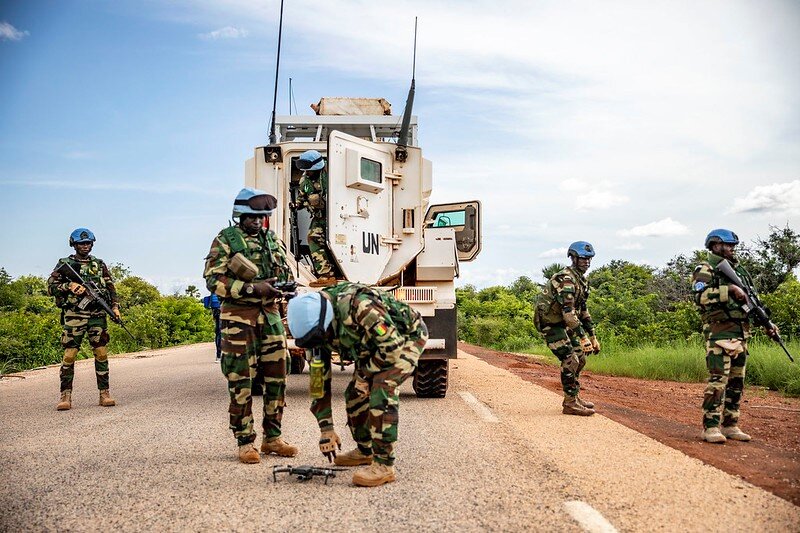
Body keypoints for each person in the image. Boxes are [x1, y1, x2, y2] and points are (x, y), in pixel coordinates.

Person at [286, 282, 428, 487]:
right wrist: (326, 429)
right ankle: (365, 451)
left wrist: (364, 376)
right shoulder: (316, 335)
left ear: (326, 322)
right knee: (354, 394)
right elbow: (319, 384)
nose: (318, 343)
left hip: (405, 338)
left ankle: (384, 465)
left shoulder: (361, 307)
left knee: (382, 388)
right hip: (370, 346)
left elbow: (392, 348)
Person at [204, 187, 298, 464]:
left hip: (270, 317)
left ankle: (273, 438)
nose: (258, 222)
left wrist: (286, 287)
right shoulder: (226, 240)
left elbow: (286, 271)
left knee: (278, 378)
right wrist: (250, 288)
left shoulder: (272, 240)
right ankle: (245, 441)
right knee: (241, 380)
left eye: (263, 217)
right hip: (237, 319)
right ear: (240, 216)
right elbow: (213, 280)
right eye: (252, 217)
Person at [692, 229, 779, 444]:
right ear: (715, 245)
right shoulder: (705, 269)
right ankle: (710, 427)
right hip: (718, 334)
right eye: (728, 245)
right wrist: (728, 289)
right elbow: (700, 297)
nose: (732, 248)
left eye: (733, 245)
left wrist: (767, 323)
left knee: (737, 383)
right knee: (718, 382)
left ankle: (730, 425)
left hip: (741, 335)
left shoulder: (738, 270)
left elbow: (751, 301)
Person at [47, 228, 119, 410]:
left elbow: (110, 287)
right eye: (81, 243)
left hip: (97, 315)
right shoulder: (65, 264)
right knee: (70, 354)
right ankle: (65, 396)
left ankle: (104, 394)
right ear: (74, 244)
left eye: (88, 243)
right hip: (74, 314)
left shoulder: (99, 264)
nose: (85, 246)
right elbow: (50, 287)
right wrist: (69, 285)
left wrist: (115, 307)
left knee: (101, 353)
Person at [534, 241, 600, 416]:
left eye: (589, 259)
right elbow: (569, 313)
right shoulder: (566, 279)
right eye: (583, 259)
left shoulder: (581, 280)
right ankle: (570, 403)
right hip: (550, 323)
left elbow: (583, 311)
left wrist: (593, 337)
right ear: (573, 258)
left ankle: (574, 397)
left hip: (563, 323)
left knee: (580, 358)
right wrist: (583, 338)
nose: (586, 262)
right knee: (571, 360)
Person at [294, 150, 336, 283]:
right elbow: (302, 197)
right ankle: (326, 275)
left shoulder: (332, 173)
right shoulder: (304, 180)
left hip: (336, 215)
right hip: (320, 216)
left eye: (309, 170)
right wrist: (297, 205)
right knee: (313, 238)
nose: (307, 172)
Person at [202, 292, 222, 361]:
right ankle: (219, 355)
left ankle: (219, 355)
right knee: (219, 331)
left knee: (219, 331)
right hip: (219, 308)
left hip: (219, 308)